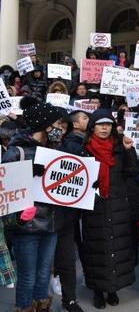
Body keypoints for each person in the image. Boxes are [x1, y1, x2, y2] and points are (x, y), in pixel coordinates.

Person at [2, 96, 64, 312]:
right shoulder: (16, 151)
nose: (60, 128)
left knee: (44, 272)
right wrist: (28, 173)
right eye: (56, 124)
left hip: (51, 222)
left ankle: (41, 306)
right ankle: (25, 307)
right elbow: (4, 187)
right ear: (44, 126)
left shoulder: (56, 150)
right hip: (26, 225)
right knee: (27, 275)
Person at [80, 109, 139, 309]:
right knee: (96, 249)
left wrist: (129, 150)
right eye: (100, 124)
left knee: (116, 248)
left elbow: (133, 171)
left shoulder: (119, 147)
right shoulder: (83, 148)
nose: (105, 128)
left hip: (116, 205)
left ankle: (112, 288)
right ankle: (97, 290)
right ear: (93, 127)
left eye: (108, 124)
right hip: (93, 207)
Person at [55, 110, 90, 312]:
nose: (59, 129)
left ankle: (69, 300)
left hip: (67, 213)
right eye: (56, 125)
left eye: (62, 125)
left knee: (68, 258)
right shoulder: (30, 149)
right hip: (41, 216)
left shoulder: (73, 146)